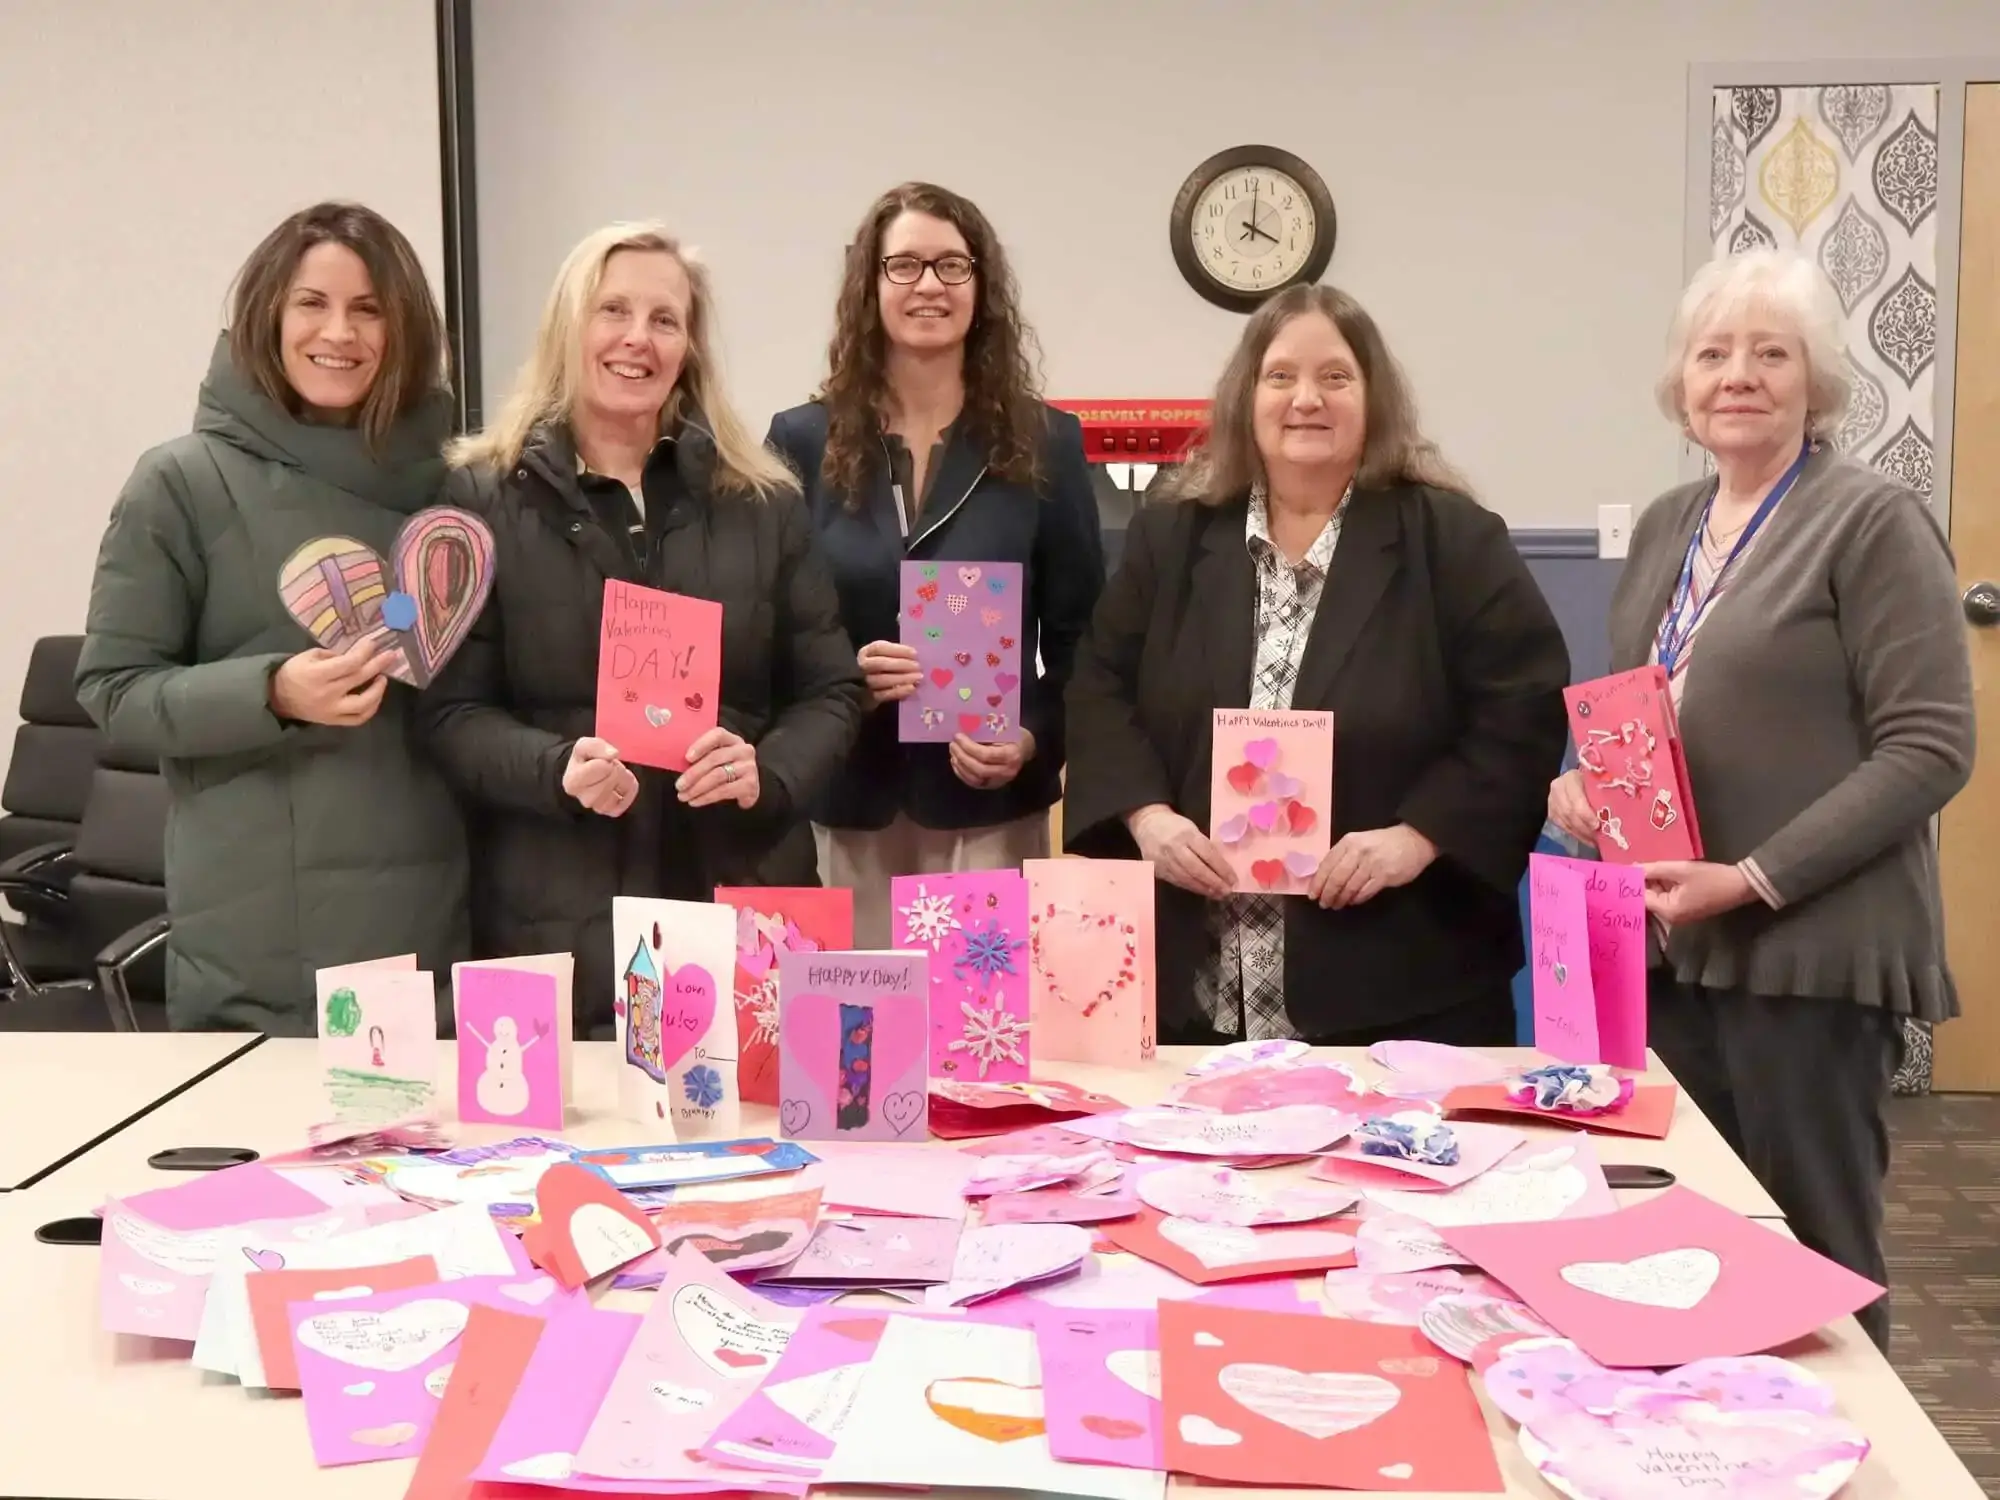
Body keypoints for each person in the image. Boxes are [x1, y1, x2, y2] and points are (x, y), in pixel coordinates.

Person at [1547, 248, 1974, 1352]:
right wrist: (1581, 785)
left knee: (1815, 1264)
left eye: (1768, 353)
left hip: (1805, 951)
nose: (1736, 374)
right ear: (1679, 387)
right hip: (1669, 951)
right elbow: (1643, 714)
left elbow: (1929, 745)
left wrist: (1750, 877)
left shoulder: (1869, 523)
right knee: (1691, 1248)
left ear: (1814, 382)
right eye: (1712, 353)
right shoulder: (1664, 526)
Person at [1063, 283, 1570, 1047]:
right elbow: (1099, 687)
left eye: (1335, 376)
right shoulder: (1170, 538)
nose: (1307, 398)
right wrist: (1147, 817)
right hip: (1192, 993)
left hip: (1400, 985)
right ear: (1247, 398)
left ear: (1373, 399)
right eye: (1281, 376)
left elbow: (1523, 709)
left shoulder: (1455, 541)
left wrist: (1417, 837)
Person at [414, 223, 865, 1037]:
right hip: (555, 932)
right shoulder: (478, 499)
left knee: (762, 1154)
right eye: (612, 309)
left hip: (742, 914)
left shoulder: (765, 503)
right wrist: (555, 769)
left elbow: (832, 689)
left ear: (690, 345)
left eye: (665, 318)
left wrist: (766, 770)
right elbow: (448, 713)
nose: (637, 339)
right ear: (568, 328)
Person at [74, 202, 469, 1033]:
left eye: (369, 309)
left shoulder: (458, 487)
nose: (341, 332)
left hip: (432, 917)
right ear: (266, 315)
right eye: (312, 303)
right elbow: (113, 690)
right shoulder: (180, 483)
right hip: (259, 930)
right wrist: (273, 692)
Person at [767, 182, 1103, 946]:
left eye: (953, 266)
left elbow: (1089, 646)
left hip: (987, 810)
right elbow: (769, 629)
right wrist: (843, 676)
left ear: (982, 289)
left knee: (978, 1045)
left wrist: (1028, 738)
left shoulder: (1045, 443)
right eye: (906, 265)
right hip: (848, 799)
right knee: (856, 1050)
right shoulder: (801, 441)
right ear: (870, 286)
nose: (929, 285)